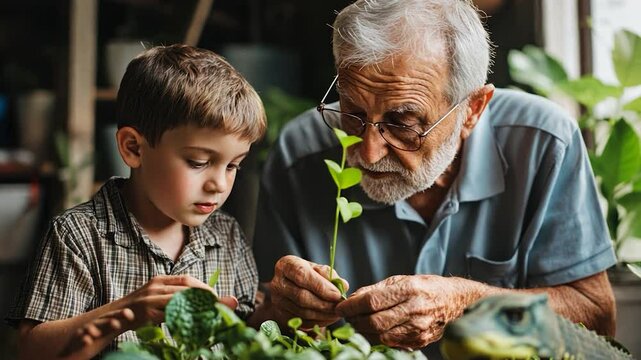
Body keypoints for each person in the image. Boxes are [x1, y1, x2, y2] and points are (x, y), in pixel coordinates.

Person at [252, 0, 617, 358]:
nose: (367, 152)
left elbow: (597, 322)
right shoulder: (297, 156)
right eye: (352, 113)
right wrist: (283, 309)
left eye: (402, 123)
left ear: (472, 109)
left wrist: (465, 303)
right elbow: (258, 325)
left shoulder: (543, 143)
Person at [6, 44, 266, 359]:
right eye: (198, 162)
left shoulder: (228, 236)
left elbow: (251, 331)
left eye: (233, 165)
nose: (219, 184)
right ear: (133, 148)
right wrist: (126, 311)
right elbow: (33, 351)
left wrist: (279, 310)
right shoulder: (78, 235)